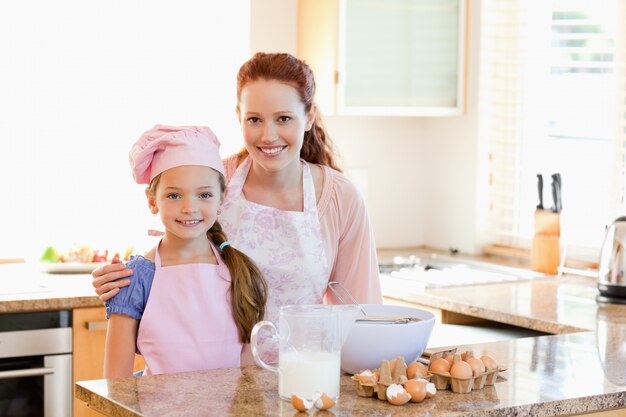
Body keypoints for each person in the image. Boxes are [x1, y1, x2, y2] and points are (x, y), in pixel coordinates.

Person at [93, 52, 382, 360]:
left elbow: (359, 313)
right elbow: (176, 253)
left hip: (304, 383)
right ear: (239, 116)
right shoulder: (215, 179)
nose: (268, 135)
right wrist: (124, 281)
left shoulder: (340, 197)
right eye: (254, 119)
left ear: (308, 116)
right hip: (219, 384)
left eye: (283, 118)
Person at [103, 125, 267, 378]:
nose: (190, 207)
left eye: (204, 194)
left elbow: (247, 376)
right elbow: (116, 385)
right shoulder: (136, 277)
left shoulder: (240, 270)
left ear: (221, 198)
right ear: (151, 200)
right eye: (174, 196)